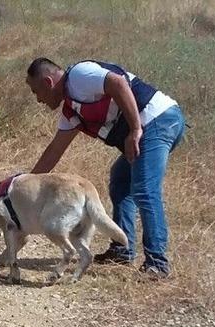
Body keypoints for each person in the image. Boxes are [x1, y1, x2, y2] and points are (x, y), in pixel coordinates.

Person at [25, 57, 187, 279]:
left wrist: (135, 130)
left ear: (48, 82)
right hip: (153, 123)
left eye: (36, 92)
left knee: (144, 190)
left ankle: (157, 264)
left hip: (157, 119)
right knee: (121, 182)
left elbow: (118, 83)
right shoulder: (71, 111)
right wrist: (22, 185)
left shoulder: (79, 76)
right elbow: (54, 150)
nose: (37, 99)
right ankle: (122, 251)